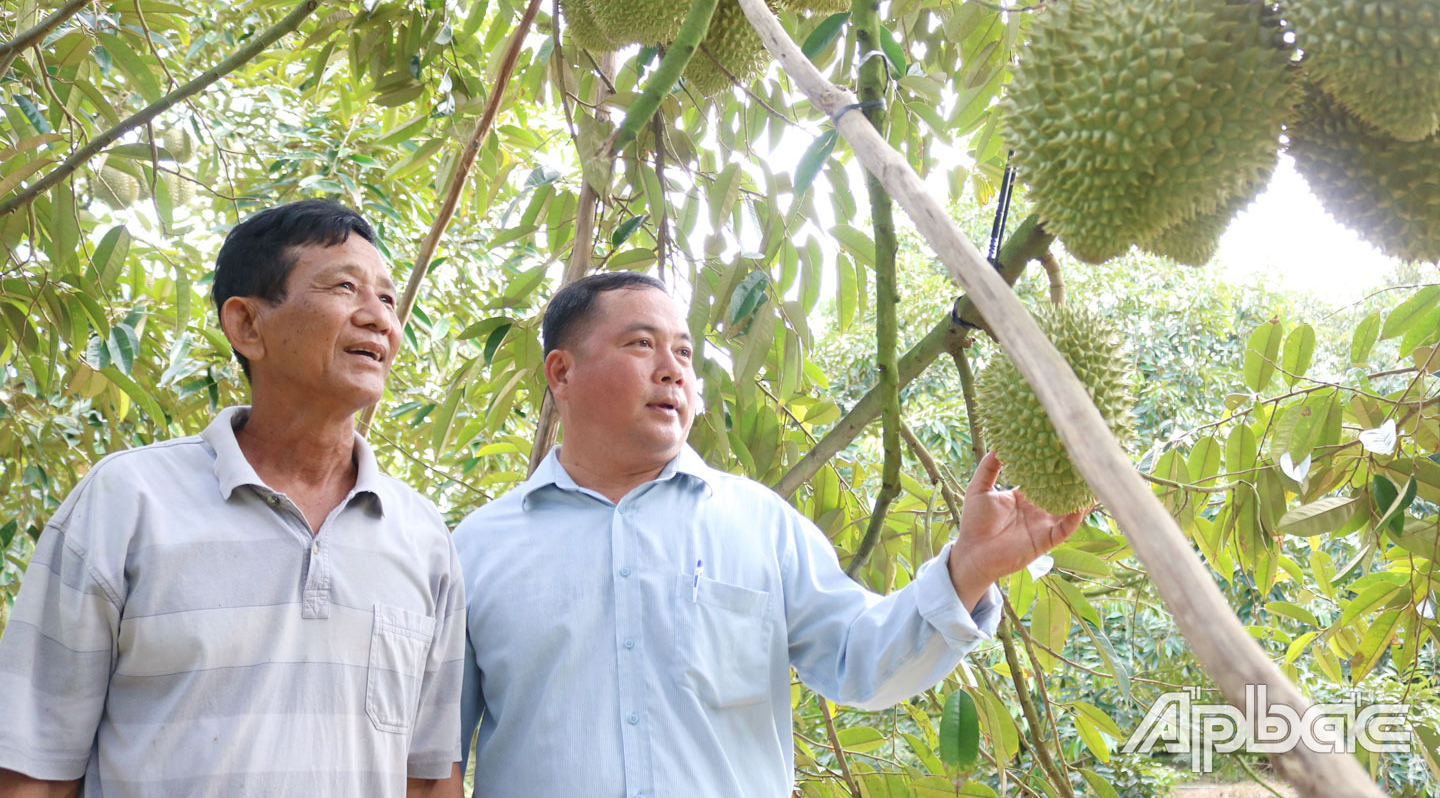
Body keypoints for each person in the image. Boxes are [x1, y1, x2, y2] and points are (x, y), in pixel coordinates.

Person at [452, 271, 1089, 797]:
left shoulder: (759, 524)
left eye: (683, 351)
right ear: (561, 374)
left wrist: (969, 568)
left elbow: (858, 661)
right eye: (641, 345)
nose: (673, 370)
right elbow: (430, 758)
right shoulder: (477, 550)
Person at [0, 200, 465, 798]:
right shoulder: (126, 501)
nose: (378, 318)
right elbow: (31, 768)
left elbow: (427, 781)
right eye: (345, 287)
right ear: (247, 325)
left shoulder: (422, 535)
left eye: (387, 299)